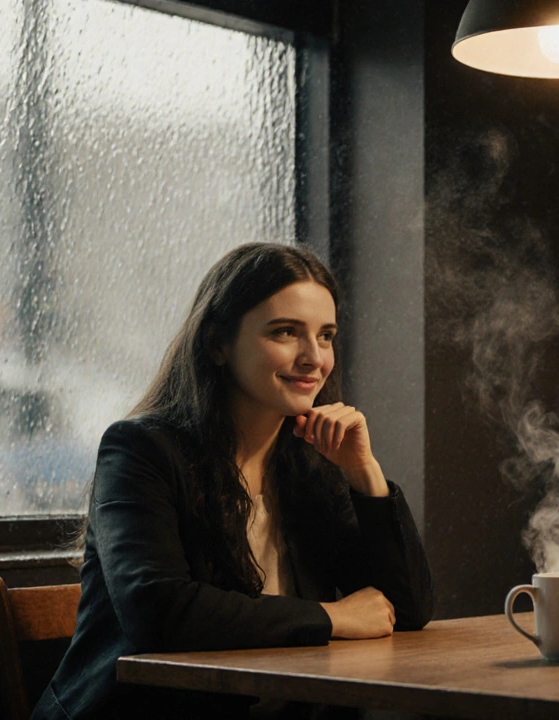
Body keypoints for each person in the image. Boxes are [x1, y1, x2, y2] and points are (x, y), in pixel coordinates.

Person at [34, 243, 434, 719]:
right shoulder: (141, 449)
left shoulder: (311, 463)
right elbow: (159, 611)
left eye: (325, 336)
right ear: (217, 344)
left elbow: (406, 611)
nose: (313, 358)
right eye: (286, 332)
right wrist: (332, 616)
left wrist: (364, 472)